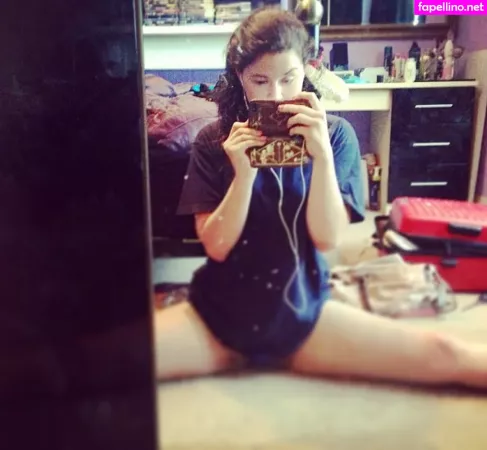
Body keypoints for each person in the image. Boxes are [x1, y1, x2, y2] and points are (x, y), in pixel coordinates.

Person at [155, 7, 487, 389]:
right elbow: (216, 245)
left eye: (288, 78)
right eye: (260, 80)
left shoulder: (336, 135)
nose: (276, 95)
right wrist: (243, 175)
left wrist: (323, 157)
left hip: (304, 313)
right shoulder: (215, 141)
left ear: (307, 71)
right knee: (115, 360)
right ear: (240, 77)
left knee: (446, 354)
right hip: (220, 316)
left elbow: (327, 238)